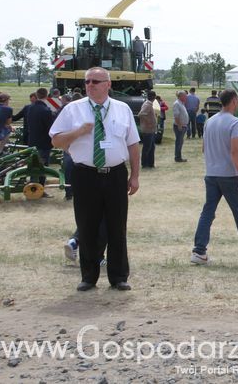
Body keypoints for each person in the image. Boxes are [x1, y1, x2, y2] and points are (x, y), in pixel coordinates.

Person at [49, 67, 140, 292]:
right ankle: (88, 277)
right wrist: (78, 132)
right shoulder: (73, 109)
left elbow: (133, 143)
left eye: (96, 81)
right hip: (85, 174)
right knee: (87, 225)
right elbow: (56, 141)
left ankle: (119, 277)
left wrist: (135, 175)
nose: (90, 85)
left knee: (117, 226)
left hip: (115, 173)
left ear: (108, 85)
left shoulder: (122, 109)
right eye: (87, 81)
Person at [190, 89, 238, 265]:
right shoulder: (235, 122)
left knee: (207, 212)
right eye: (237, 100)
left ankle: (199, 251)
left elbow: (204, 148)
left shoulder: (209, 122)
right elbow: (235, 151)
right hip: (228, 175)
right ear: (233, 101)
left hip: (211, 174)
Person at [26, 88, 55, 196]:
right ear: (47, 96)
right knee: (42, 167)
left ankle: (33, 186)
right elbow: (50, 129)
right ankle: (39, 190)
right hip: (43, 143)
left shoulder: (30, 108)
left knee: (33, 166)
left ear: (37, 95)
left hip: (32, 141)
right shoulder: (46, 111)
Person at [137, 90, 157, 169]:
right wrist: (149, 122)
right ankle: (144, 164)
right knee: (147, 148)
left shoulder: (149, 104)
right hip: (147, 130)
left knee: (151, 147)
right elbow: (141, 114)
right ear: (154, 97)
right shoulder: (147, 104)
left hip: (151, 130)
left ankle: (150, 164)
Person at [173, 90, 189, 162]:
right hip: (179, 126)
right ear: (181, 96)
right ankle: (177, 157)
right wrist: (179, 125)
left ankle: (179, 156)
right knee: (179, 142)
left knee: (180, 142)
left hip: (183, 125)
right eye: (185, 95)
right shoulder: (177, 104)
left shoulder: (181, 103)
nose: (186, 97)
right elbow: (176, 116)